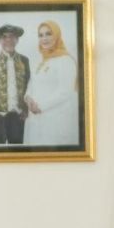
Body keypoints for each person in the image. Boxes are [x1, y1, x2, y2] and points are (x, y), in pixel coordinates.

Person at [23, 20, 79, 148]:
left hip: (54, 121)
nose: (44, 38)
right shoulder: (41, 60)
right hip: (35, 119)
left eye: (48, 34)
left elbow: (65, 92)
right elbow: (32, 83)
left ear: (57, 35)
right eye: (41, 35)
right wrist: (27, 98)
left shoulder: (65, 60)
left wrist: (40, 106)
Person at [0, 23, 31, 145]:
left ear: (17, 39)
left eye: (12, 36)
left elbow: (28, 87)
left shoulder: (24, 60)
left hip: (17, 115)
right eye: (4, 37)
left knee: (17, 149)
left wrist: (25, 110)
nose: (8, 40)